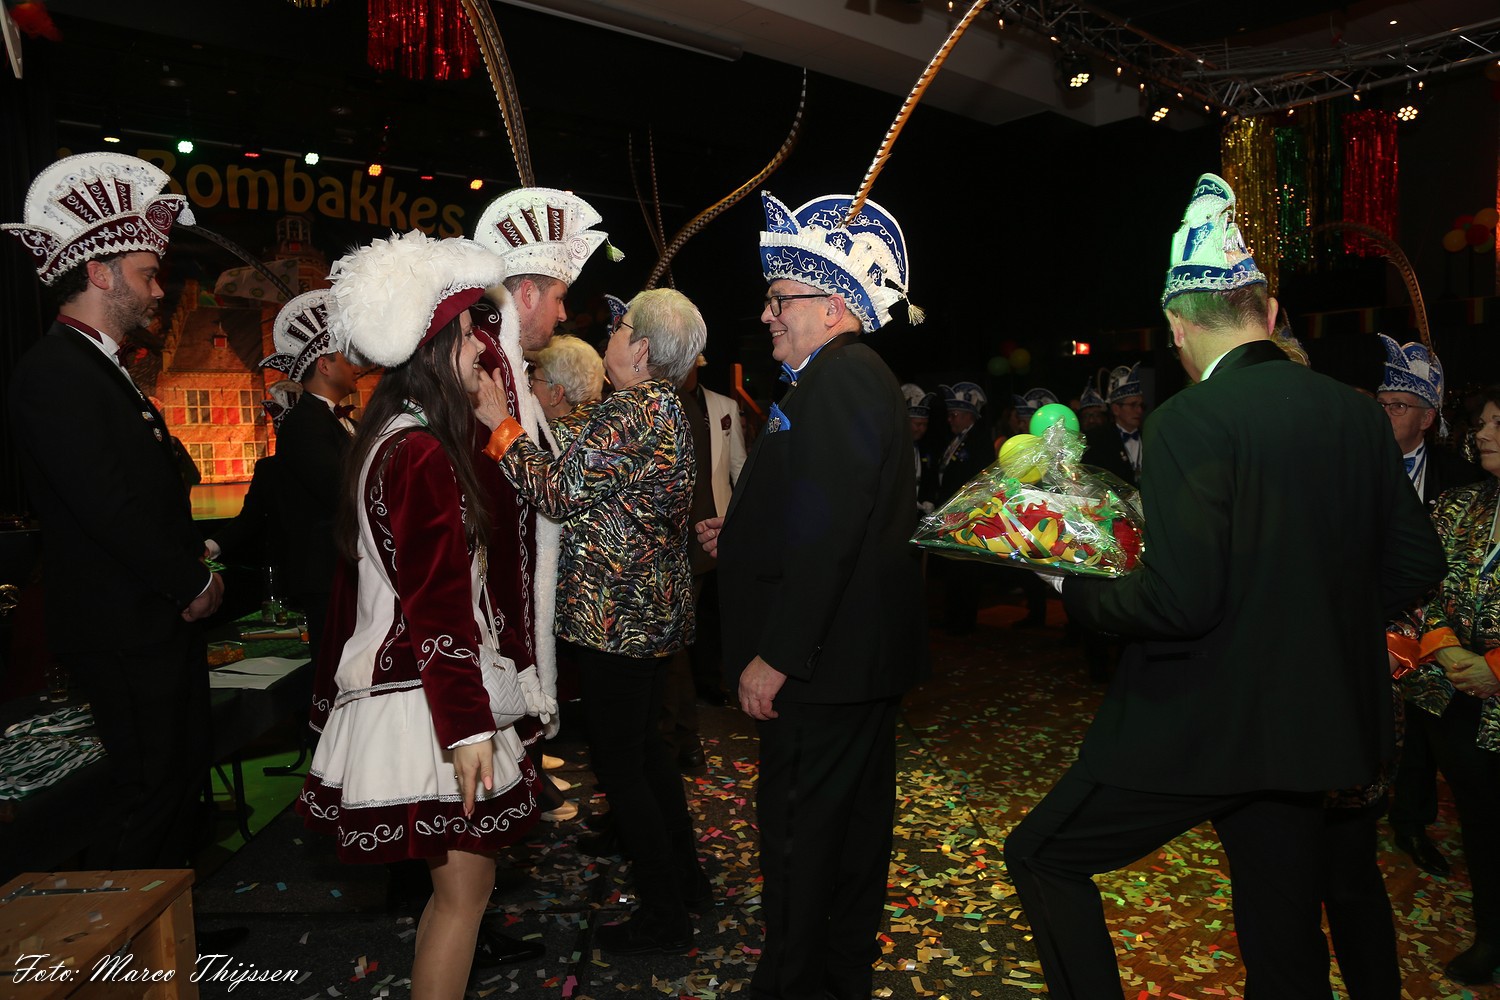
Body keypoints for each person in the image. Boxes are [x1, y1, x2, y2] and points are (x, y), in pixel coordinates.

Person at [1003, 173, 1445, 999]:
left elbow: (1180, 601)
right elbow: (1418, 566)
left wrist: (1069, 581)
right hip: (1309, 731)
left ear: (1178, 326)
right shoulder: (1356, 414)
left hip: (1199, 727)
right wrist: (1319, 613)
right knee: (1282, 938)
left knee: (1041, 855)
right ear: (1269, 314)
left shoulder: (1188, 420)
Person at [296, 230, 543, 999]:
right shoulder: (420, 451)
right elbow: (436, 602)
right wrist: (467, 730)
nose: (480, 347)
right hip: (430, 703)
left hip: (421, 694)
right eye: (468, 332)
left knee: (459, 895)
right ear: (436, 346)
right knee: (464, 899)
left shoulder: (395, 438)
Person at [696, 191, 928, 1000]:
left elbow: (833, 535)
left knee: (803, 840)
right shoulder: (842, 378)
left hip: (822, 670)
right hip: (850, 665)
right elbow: (819, 511)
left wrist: (778, 656)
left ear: (832, 307)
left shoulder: (842, 381)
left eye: (779, 300)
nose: (767, 315)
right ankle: (835, 980)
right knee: (849, 836)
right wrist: (744, 535)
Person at [4, 152, 223, 869]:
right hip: (123, 625)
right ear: (99, 274)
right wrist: (190, 580)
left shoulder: (97, 365)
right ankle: (125, 934)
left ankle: (172, 919)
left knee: (178, 777)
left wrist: (190, 558)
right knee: (148, 791)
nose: (158, 290)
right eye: (147, 274)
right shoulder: (54, 371)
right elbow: (106, 506)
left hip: (147, 618)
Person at [475, 287, 709, 955]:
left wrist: (500, 424)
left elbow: (555, 492)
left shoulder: (633, 410)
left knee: (621, 766)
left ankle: (664, 915)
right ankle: (686, 881)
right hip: (649, 613)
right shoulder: (663, 404)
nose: (609, 334)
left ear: (642, 349)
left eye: (619, 327)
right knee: (647, 754)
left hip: (618, 619)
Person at [1386, 385, 1500, 984]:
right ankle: (1492, 934)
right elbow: (1421, 584)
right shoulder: (1458, 505)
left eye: (1498, 423)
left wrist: (1496, 667)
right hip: (1454, 696)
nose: (1483, 434)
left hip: (1489, 685)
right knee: (1481, 824)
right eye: (1483, 423)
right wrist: (1443, 644)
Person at [1377, 334, 1483, 878]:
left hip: (1436, 627)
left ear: (1426, 418)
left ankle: (1412, 823)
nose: (1384, 413)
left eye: (1397, 406)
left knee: (1424, 728)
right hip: (1366, 616)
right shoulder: (1350, 462)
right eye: (1381, 403)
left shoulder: (1460, 478)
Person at [208, 288, 356, 656]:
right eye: (345, 357)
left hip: (341, 570)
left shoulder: (331, 421)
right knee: (336, 668)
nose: (354, 365)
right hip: (329, 573)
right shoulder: (306, 423)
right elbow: (340, 491)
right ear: (325, 366)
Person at [937, 381, 999, 633]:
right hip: (952, 515)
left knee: (967, 570)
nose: (950, 419)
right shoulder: (956, 439)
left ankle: (964, 621)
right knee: (954, 568)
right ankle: (954, 616)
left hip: (968, 516)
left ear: (968, 416)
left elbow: (980, 480)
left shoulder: (979, 441)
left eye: (954, 415)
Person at [1080, 364, 1144, 486]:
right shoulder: (1097, 439)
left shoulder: (1150, 436)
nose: (1139, 410)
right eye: (1133, 405)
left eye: (1141, 405)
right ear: (1116, 409)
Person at [529, 333, 604, 422]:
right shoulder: (603, 424)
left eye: (534, 379)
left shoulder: (559, 431)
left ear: (556, 394)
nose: (529, 383)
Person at [902, 383, 938, 515]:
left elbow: (931, 478)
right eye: (917, 424)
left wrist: (929, 499)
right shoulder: (896, 450)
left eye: (925, 425)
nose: (922, 429)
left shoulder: (925, 447)